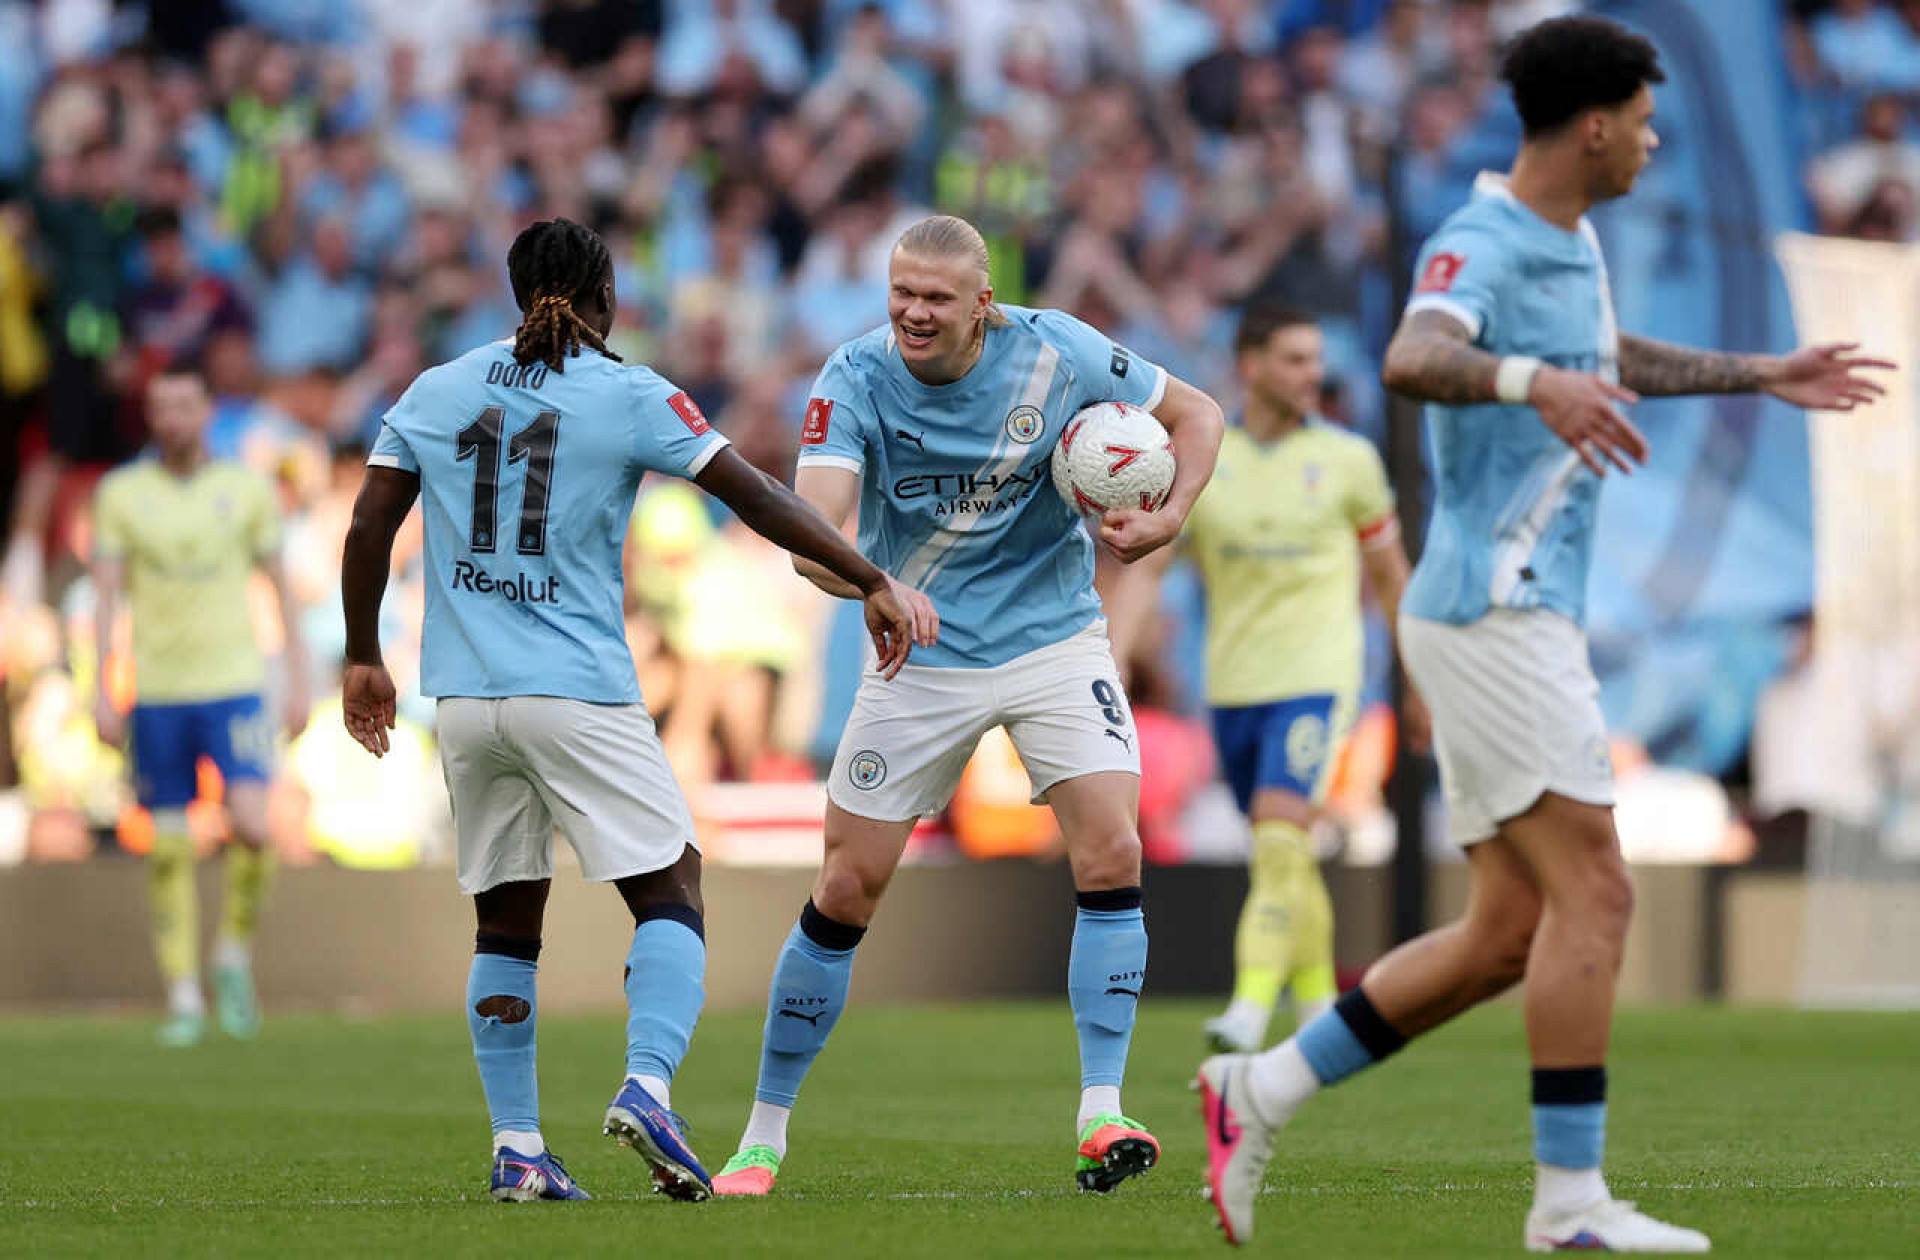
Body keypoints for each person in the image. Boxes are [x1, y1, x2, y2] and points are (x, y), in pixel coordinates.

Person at [1194, 15, 1891, 1252]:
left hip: (1520, 615)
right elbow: (1417, 356)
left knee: (1508, 933)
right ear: (1595, 125)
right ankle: (1569, 1205)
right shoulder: (1483, 238)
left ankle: (1261, 1089)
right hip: (1495, 608)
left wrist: (1758, 371)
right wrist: (1532, 385)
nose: (1653, 141)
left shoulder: (1571, 245)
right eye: (1643, 119)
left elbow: (1597, 356)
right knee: (1600, 895)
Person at [339, 218, 931, 1204]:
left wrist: (362, 654)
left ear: (512, 289)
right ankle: (649, 1085)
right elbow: (758, 498)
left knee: (507, 920)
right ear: (606, 298)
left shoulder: (435, 390)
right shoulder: (629, 391)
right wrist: (867, 573)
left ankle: (519, 1145)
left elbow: (367, 525)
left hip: (467, 701)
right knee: (671, 888)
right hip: (577, 690)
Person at [710, 214, 1226, 1198]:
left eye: (936, 298)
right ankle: (762, 1135)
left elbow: (1198, 414)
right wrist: (869, 584)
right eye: (901, 291)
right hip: (922, 649)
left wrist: (1168, 516)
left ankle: (1102, 1110)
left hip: (1053, 636)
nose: (912, 310)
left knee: (1113, 848)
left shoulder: (1059, 350)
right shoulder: (853, 377)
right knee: (847, 886)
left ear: (982, 305)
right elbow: (809, 531)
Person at [1117, 304, 1427, 1057]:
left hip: (1319, 678)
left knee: (1284, 838)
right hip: (1233, 687)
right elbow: (1151, 566)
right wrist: (1111, 660)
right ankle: (1321, 1006)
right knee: (1280, 852)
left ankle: (1251, 1007)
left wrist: (1418, 683)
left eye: (1315, 359)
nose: (1312, 374)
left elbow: (1392, 579)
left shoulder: (1350, 460)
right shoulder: (1205, 462)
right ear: (1250, 365)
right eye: (1293, 358)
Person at [92, 365, 311, 1047]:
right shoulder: (122, 494)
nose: (173, 419)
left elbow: (280, 587)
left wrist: (299, 678)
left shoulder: (245, 490)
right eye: (161, 408)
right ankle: (184, 997)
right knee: (167, 843)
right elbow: (104, 598)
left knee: (253, 825)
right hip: (157, 688)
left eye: (185, 406)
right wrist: (101, 685)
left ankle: (232, 954)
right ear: (150, 417)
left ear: (208, 411)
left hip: (235, 681)